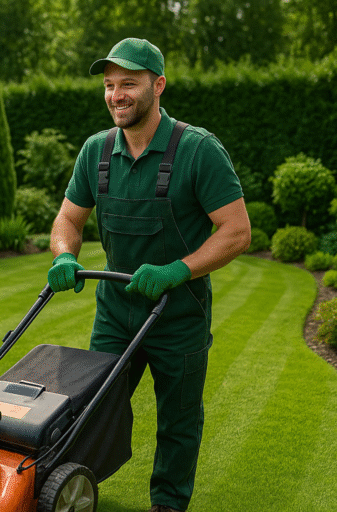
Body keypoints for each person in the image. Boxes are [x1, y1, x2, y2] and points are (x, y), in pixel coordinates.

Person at [48, 38, 251, 512]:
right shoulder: (96, 151)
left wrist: (177, 269)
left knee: (178, 420)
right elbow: (68, 219)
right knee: (91, 409)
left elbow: (237, 231)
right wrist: (63, 255)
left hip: (178, 315)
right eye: (109, 85)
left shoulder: (198, 150)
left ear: (157, 86)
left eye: (129, 84)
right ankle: (75, 486)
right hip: (116, 315)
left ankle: (168, 503)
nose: (117, 95)